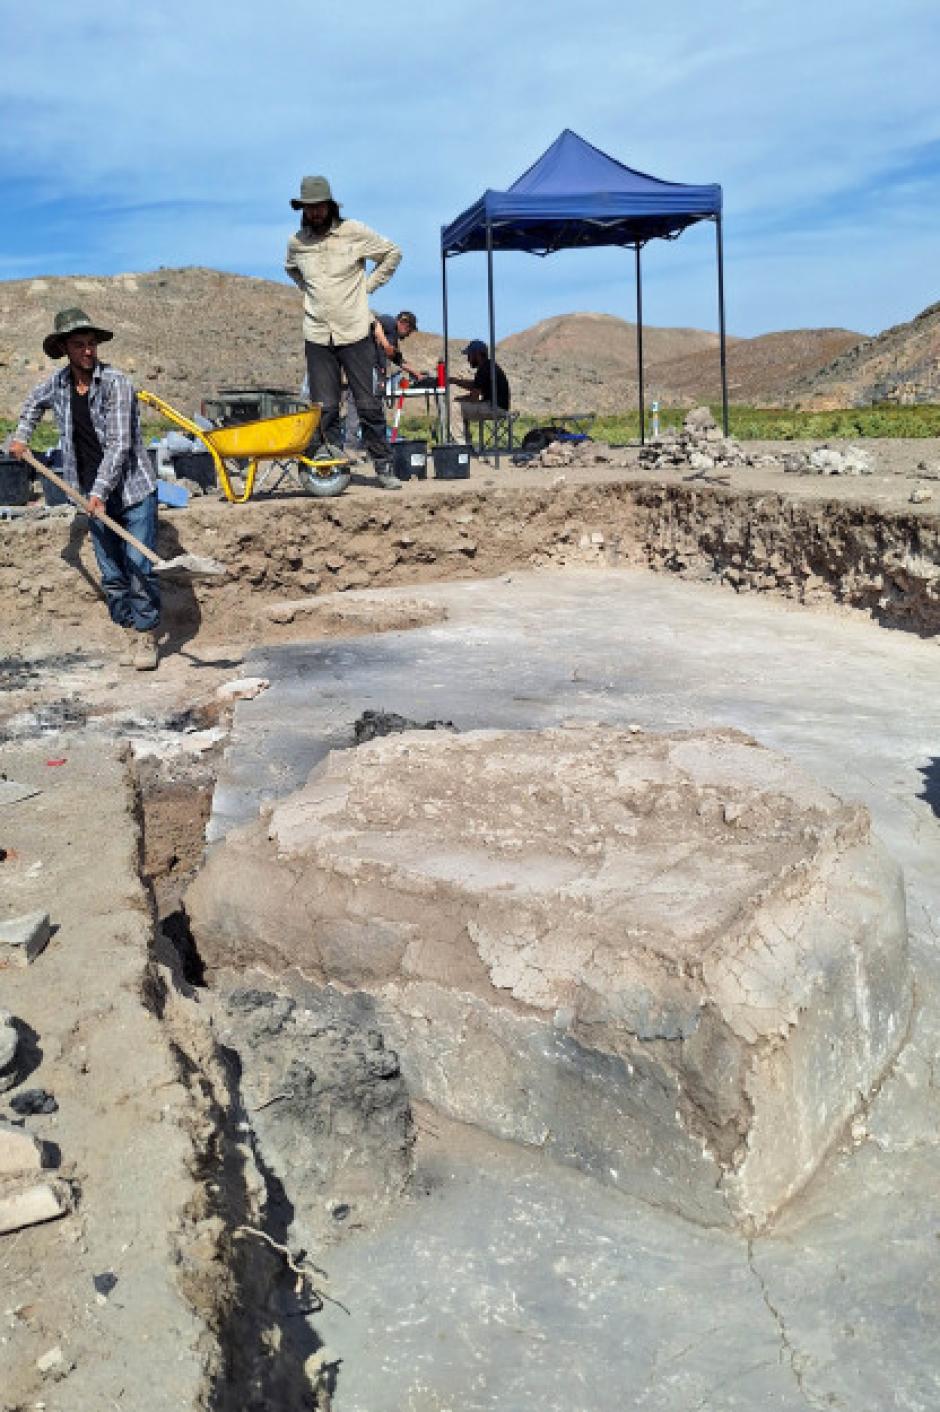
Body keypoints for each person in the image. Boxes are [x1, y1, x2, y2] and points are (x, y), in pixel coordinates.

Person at [9, 308, 160, 670]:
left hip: (131, 490)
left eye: (92, 344)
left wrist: (100, 493)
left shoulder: (116, 384)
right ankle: (128, 631)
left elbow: (120, 445)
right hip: (88, 494)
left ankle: (146, 636)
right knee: (112, 575)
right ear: (63, 348)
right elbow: (31, 405)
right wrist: (20, 438)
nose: (88, 351)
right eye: (79, 345)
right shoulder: (57, 385)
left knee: (139, 566)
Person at [285, 174, 404, 489]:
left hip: (354, 331)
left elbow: (392, 253)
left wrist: (367, 287)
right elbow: (291, 268)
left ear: (330, 205)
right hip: (317, 335)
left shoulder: (354, 232)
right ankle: (324, 469)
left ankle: (384, 467)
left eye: (319, 207)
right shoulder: (297, 242)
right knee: (323, 407)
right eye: (308, 208)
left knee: (367, 403)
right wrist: (308, 290)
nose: (314, 213)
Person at [449, 339, 511, 442]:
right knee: (460, 406)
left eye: (469, 355)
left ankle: (460, 444)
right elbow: (475, 385)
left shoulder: (483, 369)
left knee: (454, 407)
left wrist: (461, 399)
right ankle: (466, 442)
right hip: (499, 407)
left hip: (494, 408)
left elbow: (474, 397)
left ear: (477, 354)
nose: (468, 359)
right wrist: (455, 381)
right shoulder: (488, 366)